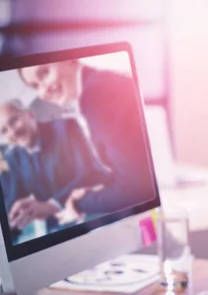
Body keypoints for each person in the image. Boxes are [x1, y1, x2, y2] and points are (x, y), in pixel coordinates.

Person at [18, 60, 156, 215]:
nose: (43, 92)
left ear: (69, 60)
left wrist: (80, 204)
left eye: (45, 73)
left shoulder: (98, 96)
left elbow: (137, 189)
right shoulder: (96, 86)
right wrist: (98, 190)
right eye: (35, 86)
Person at [0, 99, 113, 231]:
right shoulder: (15, 157)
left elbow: (88, 172)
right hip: (63, 224)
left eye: (14, 121)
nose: (12, 133)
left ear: (30, 115)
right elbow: (13, 197)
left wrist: (51, 205)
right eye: (4, 131)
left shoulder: (66, 127)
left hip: (99, 208)